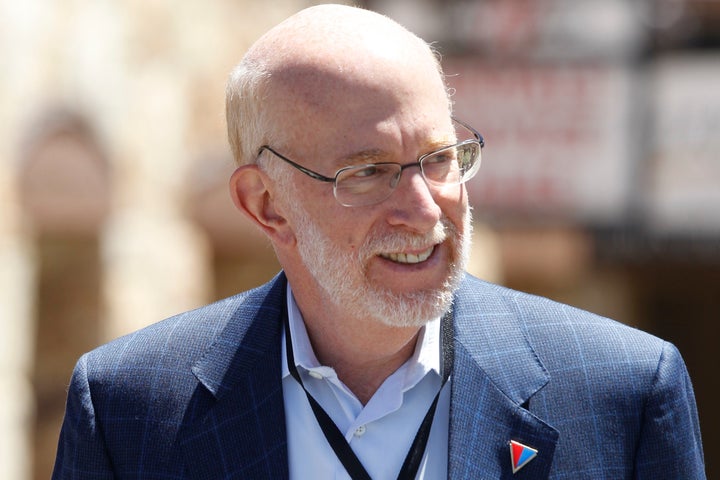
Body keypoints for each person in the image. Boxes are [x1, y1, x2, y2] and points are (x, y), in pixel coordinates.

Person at [52, 4, 705, 479]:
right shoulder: (128, 410)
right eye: (366, 173)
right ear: (265, 204)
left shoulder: (623, 395)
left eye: (440, 157)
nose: (424, 209)